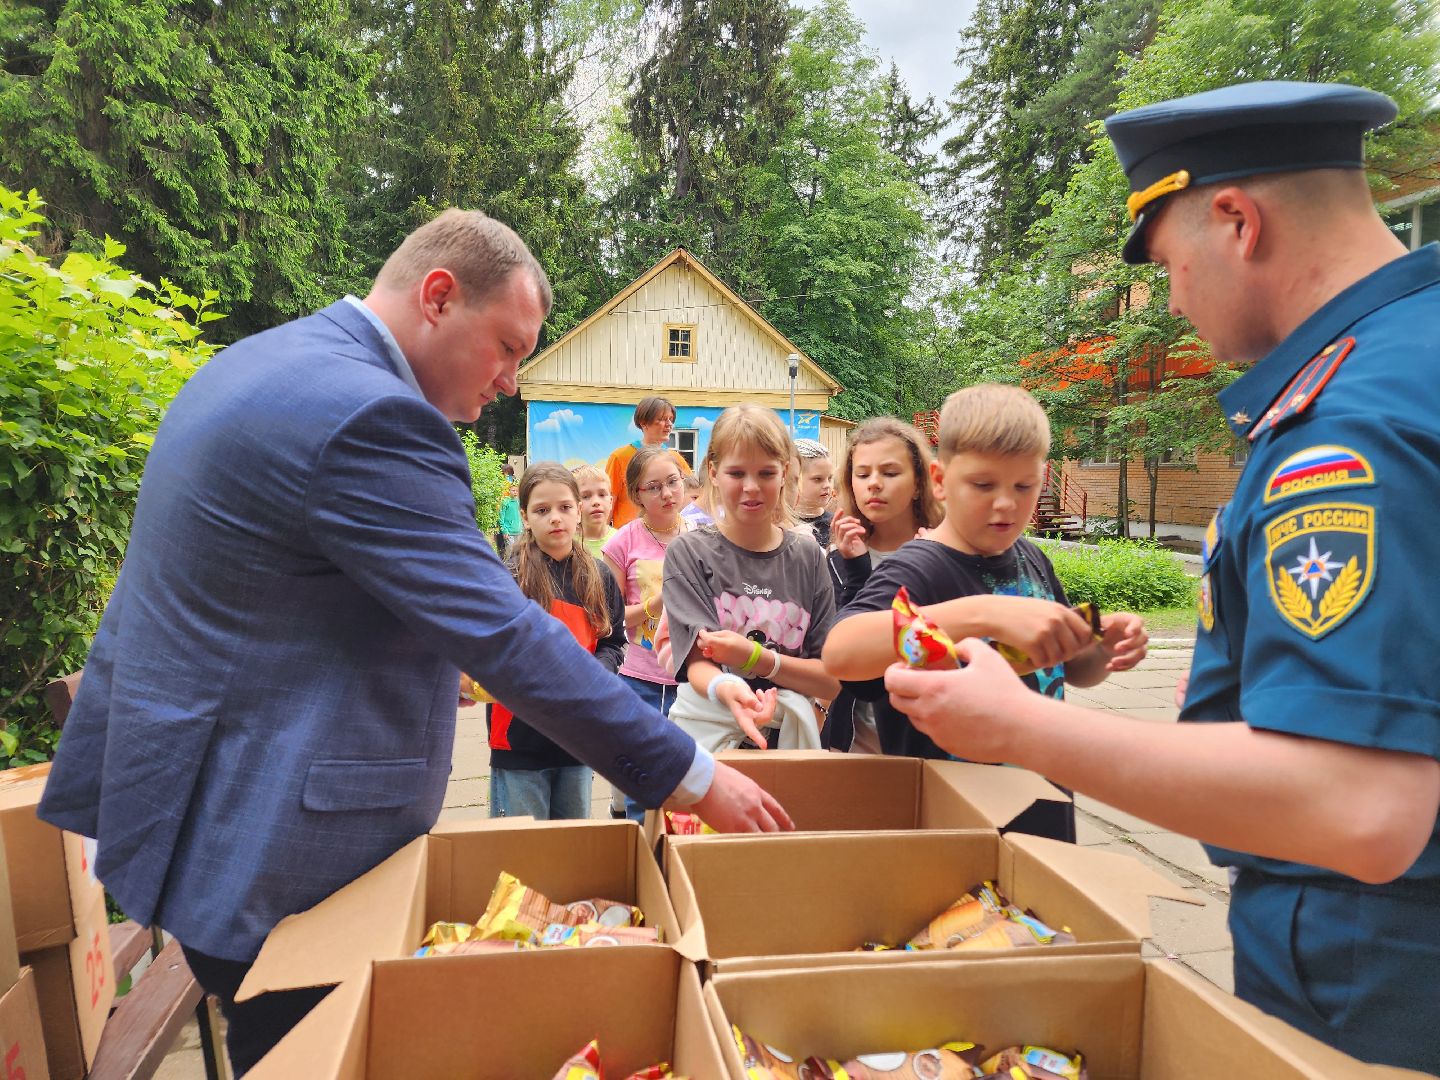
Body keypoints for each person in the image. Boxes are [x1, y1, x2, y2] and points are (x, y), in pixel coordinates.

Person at [35, 208, 790, 1076]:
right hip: (272, 847)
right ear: (438, 297)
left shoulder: (260, 362)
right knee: (307, 1051)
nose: (511, 380)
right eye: (507, 346)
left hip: (196, 806)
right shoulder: (371, 417)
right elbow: (504, 633)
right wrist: (693, 774)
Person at [881, 82, 1440, 1073]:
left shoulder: (1349, 424)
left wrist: (1021, 725)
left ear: (1237, 221)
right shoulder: (1410, 360)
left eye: (1173, 265)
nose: (1174, 302)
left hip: (1378, 980)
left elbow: (1358, 806)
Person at [823, 385, 1147, 841]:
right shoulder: (917, 568)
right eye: (983, 485)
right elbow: (840, 652)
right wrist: (984, 612)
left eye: (1024, 486)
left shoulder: (1033, 558)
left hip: (1045, 816)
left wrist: (1101, 646)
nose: (1006, 503)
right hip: (954, 834)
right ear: (939, 480)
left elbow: (1073, 672)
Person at [662, 406, 840, 753]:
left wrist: (757, 659)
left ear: (785, 473)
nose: (751, 487)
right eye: (737, 472)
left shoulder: (808, 558)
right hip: (707, 742)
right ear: (714, 473)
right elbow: (698, 662)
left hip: (788, 745)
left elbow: (829, 679)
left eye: (766, 473)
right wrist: (729, 690)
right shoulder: (689, 553)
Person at [489, 463, 626, 820]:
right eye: (541, 510)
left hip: (577, 738)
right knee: (521, 847)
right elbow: (492, 651)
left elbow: (614, 642)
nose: (555, 518)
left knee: (572, 843)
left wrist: (594, 674)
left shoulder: (599, 576)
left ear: (578, 510)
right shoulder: (508, 577)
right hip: (519, 739)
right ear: (524, 516)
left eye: (564, 507)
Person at [823, 417, 945, 752]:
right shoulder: (838, 559)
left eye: (890, 473)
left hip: (930, 741)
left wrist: (929, 565)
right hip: (855, 743)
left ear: (919, 483)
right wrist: (857, 569)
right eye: (862, 474)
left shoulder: (948, 549)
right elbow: (842, 651)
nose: (874, 484)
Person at [601, 445, 694, 820]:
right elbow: (608, 620)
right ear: (637, 494)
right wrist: (653, 606)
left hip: (694, 677)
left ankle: (681, 849)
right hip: (641, 678)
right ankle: (641, 845)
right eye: (654, 487)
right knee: (641, 781)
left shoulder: (704, 535)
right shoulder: (622, 542)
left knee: (689, 782)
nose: (667, 493)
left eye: (673, 482)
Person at [604, 396, 692, 528]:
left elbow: (692, 495)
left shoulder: (675, 458)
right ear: (643, 423)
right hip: (628, 535)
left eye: (671, 419)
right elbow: (608, 500)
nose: (669, 424)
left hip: (667, 532)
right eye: (662, 419)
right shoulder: (620, 457)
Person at [793, 438, 835, 547]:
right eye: (818, 479)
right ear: (794, 479)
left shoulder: (835, 524)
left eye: (830, 478)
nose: (827, 485)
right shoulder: (782, 525)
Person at [571, 463, 616, 560]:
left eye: (602, 495)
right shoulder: (567, 543)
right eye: (586, 496)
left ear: (611, 502)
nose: (596, 502)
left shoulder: (622, 539)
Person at [495, 463, 522, 557]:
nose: (508, 475)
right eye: (506, 473)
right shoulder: (499, 482)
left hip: (511, 509)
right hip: (502, 508)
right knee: (503, 536)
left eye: (509, 473)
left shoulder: (512, 481)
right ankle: (501, 553)